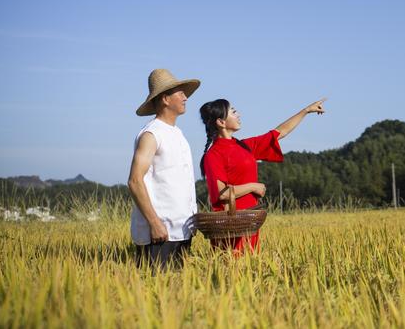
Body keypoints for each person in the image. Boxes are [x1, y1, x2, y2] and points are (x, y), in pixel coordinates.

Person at [199, 98, 326, 254]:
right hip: (231, 226)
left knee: (251, 270)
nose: (238, 114)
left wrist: (306, 110)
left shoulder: (244, 146)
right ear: (221, 122)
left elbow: (280, 133)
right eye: (233, 111)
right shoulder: (214, 155)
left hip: (250, 220)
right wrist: (253, 186)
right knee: (231, 270)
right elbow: (222, 193)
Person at [127, 69, 200, 268]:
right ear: (166, 99)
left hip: (182, 230)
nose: (185, 97)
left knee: (177, 293)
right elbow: (134, 181)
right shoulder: (151, 134)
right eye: (180, 93)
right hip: (160, 233)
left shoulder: (178, 134)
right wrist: (154, 223)